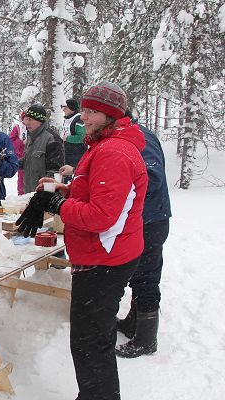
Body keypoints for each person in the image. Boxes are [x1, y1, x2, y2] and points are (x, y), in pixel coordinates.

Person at [15, 81, 148, 400]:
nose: (83, 117)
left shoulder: (113, 151)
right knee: (94, 340)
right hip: (108, 254)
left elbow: (102, 216)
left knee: (90, 343)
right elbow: (98, 194)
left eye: (90, 112)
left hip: (103, 260)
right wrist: (64, 190)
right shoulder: (107, 144)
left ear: (110, 115)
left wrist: (58, 205)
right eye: (84, 110)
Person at [115, 111, 171, 358]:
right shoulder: (129, 135)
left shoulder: (140, 138)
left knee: (147, 277)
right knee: (139, 275)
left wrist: (116, 189)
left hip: (151, 219)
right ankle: (132, 323)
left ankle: (146, 340)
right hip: (144, 218)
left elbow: (152, 177)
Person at [19, 103, 64, 193]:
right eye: (27, 119)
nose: (27, 123)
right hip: (30, 192)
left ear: (40, 121)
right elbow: (29, 160)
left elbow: (55, 171)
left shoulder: (52, 139)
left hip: (43, 195)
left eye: (31, 120)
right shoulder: (31, 136)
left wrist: (46, 194)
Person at [61, 99, 86, 182]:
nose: (63, 110)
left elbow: (82, 137)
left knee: (74, 178)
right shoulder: (67, 119)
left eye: (65, 107)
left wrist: (67, 138)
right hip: (67, 152)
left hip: (77, 153)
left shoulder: (79, 120)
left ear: (71, 108)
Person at [9, 111, 27, 195]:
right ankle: (21, 193)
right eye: (26, 118)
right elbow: (11, 141)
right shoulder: (18, 127)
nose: (28, 121)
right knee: (21, 176)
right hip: (21, 155)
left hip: (32, 154)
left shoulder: (34, 127)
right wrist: (21, 142)